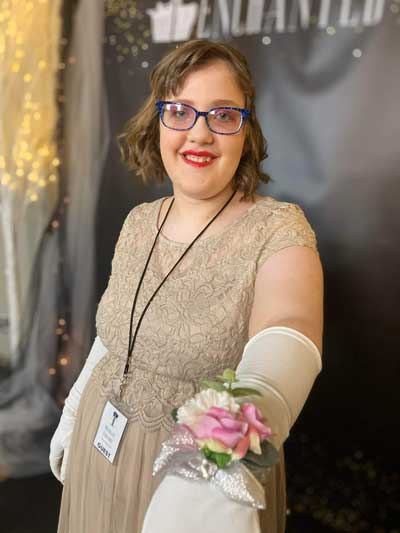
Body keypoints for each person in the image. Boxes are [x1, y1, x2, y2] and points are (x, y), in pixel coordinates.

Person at [50, 39, 324, 533]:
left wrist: (220, 457)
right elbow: (115, 336)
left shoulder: (279, 229)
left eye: (222, 115)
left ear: (246, 129)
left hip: (189, 483)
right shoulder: (139, 221)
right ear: (157, 123)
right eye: (179, 111)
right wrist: (74, 411)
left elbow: (290, 331)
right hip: (99, 447)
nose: (199, 133)